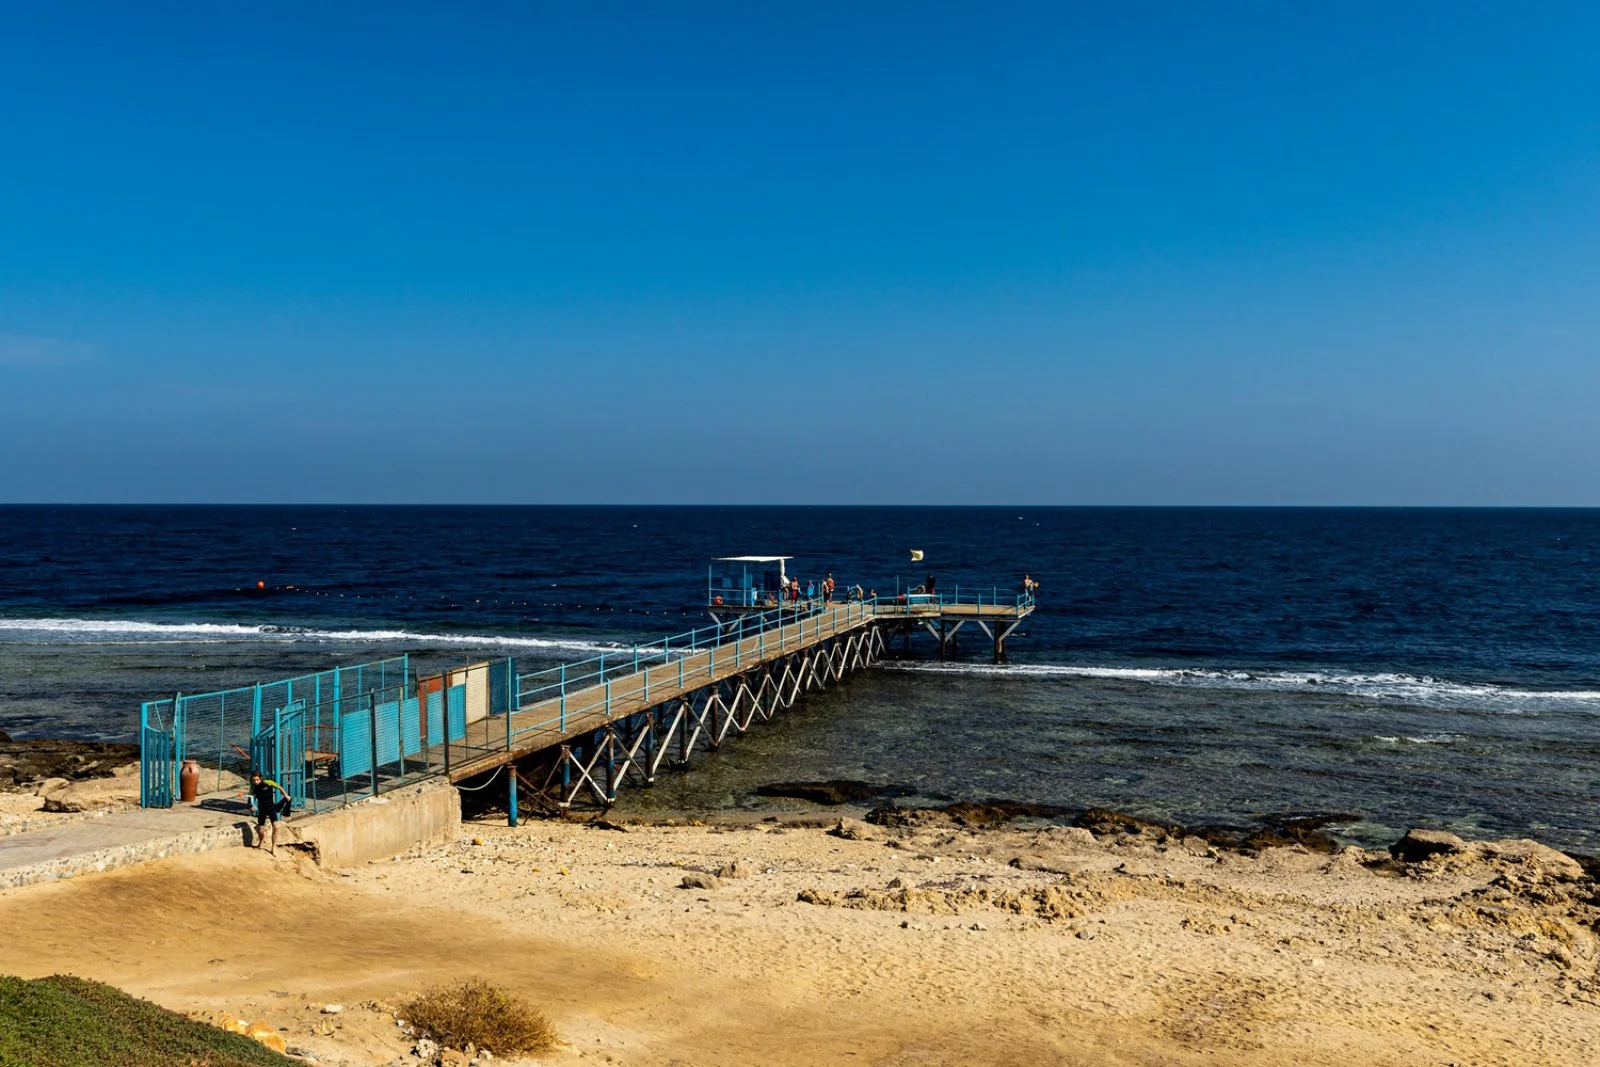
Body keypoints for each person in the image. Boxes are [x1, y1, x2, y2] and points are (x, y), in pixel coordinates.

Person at [248, 771, 289, 855]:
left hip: (271, 808)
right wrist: (251, 806)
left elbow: (279, 787)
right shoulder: (253, 787)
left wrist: (286, 795)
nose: (255, 782)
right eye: (254, 780)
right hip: (262, 810)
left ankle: (273, 847)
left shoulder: (268, 783)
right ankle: (260, 842)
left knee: (276, 827)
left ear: (261, 778)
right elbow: (250, 799)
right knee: (261, 831)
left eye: (257, 780)